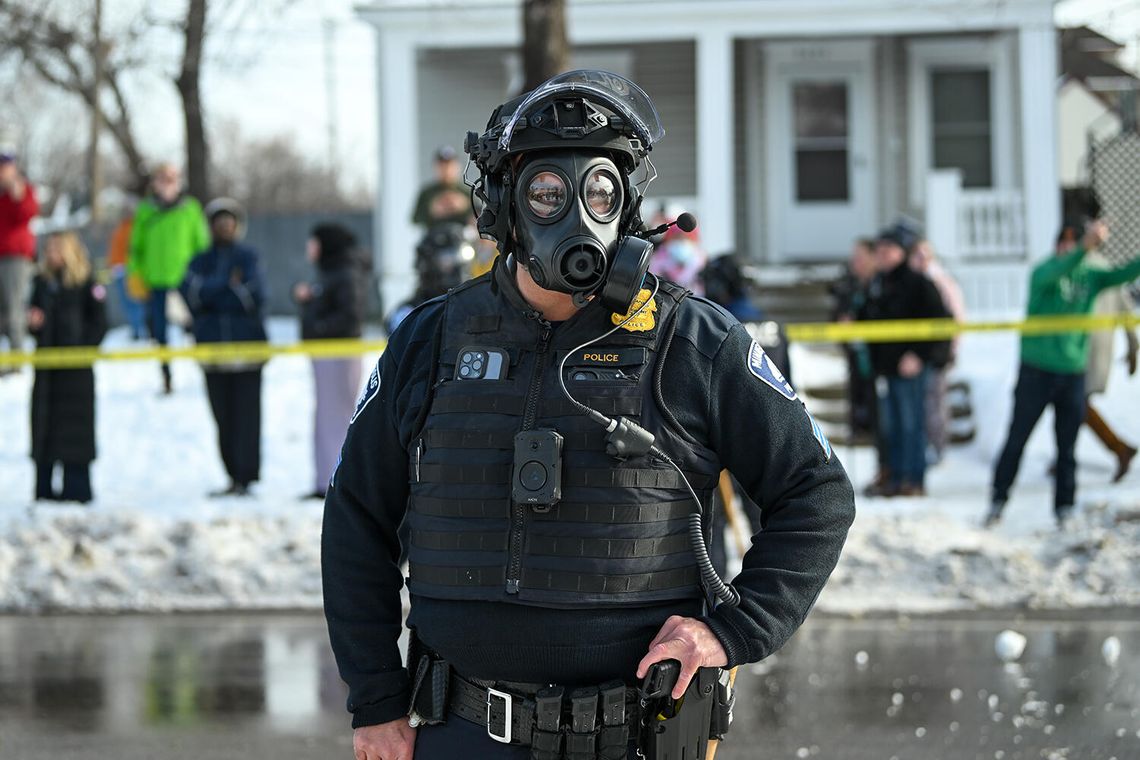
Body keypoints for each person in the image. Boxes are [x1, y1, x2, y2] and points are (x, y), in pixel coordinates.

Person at [322, 69, 855, 760]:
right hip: (463, 730)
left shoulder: (695, 340)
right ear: (506, 207)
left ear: (628, 206)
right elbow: (356, 516)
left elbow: (816, 492)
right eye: (548, 193)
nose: (578, 214)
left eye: (599, 191)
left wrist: (732, 630)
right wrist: (376, 699)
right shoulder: (431, 340)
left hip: (637, 733)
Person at [988, 219, 1140, 527]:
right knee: (1017, 439)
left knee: (1067, 448)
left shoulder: (1091, 275)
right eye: (1066, 244)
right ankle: (998, 500)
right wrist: (1084, 246)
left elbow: (1123, 275)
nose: (1070, 249)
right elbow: (1060, 269)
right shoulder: (1044, 271)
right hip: (1036, 371)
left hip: (1072, 371)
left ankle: (1064, 508)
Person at [180, 198, 268, 497]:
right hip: (212, 352)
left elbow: (252, 296)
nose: (224, 228)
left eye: (229, 222)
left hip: (247, 352)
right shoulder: (198, 260)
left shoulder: (249, 257)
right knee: (223, 417)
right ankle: (231, 475)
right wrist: (226, 286)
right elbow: (192, 295)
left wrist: (214, 292)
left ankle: (247, 477)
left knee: (247, 416)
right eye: (218, 223)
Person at [858, 222, 951, 497]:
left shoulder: (918, 282)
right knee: (891, 427)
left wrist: (918, 355)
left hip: (910, 369)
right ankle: (895, 477)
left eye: (890, 248)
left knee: (911, 425)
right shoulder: (878, 283)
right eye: (880, 249)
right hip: (885, 368)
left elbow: (941, 323)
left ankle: (914, 478)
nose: (883, 254)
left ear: (902, 252)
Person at [27, 231, 108, 503]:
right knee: (44, 429)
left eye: (57, 250)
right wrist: (33, 323)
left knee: (76, 431)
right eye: (49, 250)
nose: (52, 256)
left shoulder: (87, 283)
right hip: (47, 371)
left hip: (76, 373)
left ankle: (77, 490)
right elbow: (31, 318)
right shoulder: (41, 283)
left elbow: (99, 323)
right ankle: (44, 491)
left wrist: (81, 348)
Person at [293, 222, 366, 500]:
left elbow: (349, 317)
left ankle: (336, 482)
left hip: (338, 355)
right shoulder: (329, 273)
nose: (309, 248)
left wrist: (319, 328)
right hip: (326, 355)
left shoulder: (345, 273)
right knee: (325, 418)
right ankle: (325, 479)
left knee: (336, 418)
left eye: (313, 242)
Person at [128, 163, 209, 394]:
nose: (167, 183)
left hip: (185, 281)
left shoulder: (190, 209)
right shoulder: (146, 210)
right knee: (159, 333)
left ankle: (205, 368)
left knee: (197, 325)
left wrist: (201, 276)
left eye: (172, 178)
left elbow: (201, 245)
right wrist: (136, 273)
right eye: (162, 178)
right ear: (155, 183)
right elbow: (136, 247)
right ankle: (166, 376)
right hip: (156, 281)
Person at [1082, 249, 1138, 483]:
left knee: (1075, 402)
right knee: (1073, 404)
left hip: (1082, 348)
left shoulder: (1082, 271)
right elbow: (1126, 311)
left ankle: (1119, 448)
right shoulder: (1107, 269)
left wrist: (1134, 346)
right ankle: (1065, 456)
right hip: (1094, 346)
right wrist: (1133, 345)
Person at [910, 239, 966, 464]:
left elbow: (956, 316)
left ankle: (938, 447)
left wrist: (950, 349)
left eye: (925, 255)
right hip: (920, 353)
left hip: (938, 354)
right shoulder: (915, 281)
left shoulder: (941, 281)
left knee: (935, 402)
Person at [831, 238, 878, 443]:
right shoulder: (851, 287)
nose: (855, 262)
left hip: (879, 360)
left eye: (860, 257)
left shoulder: (881, 285)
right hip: (857, 358)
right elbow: (836, 317)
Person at [0, 153, 40, 369]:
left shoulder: (21, 190)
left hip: (15, 258)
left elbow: (29, 213)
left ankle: (16, 362)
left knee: (15, 308)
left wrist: (17, 193)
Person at [105, 202, 148, 340]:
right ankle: (135, 328)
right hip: (119, 270)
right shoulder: (121, 228)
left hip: (130, 270)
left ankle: (139, 330)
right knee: (128, 303)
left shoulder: (135, 229)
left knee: (134, 302)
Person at [410, 146, 474, 230]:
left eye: (450, 165)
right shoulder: (427, 192)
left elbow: (477, 217)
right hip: (434, 237)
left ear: (457, 167)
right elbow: (415, 219)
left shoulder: (467, 191)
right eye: (442, 166)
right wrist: (432, 210)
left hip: (461, 236)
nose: (446, 170)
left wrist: (464, 206)